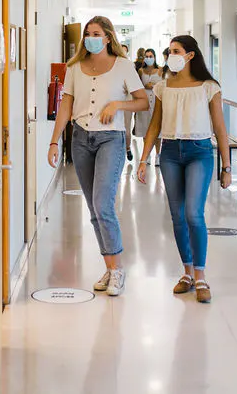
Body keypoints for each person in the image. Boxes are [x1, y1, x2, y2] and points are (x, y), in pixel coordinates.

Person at [48, 17, 148, 297]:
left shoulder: (123, 66)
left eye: (96, 34)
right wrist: (54, 141)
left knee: (103, 204)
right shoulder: (74, 68)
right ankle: (109, 267)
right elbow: (66, 104)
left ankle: (118, 270)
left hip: (110, 139)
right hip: (80, 139)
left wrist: (117, 104)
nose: (90, 38)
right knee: (94, 209)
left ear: (107, 38)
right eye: (87, 34)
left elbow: (143, 101)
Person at [138, 35, 232, 304]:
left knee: (193, 213)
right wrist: (143, 159)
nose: (171, 56)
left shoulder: (209, 87)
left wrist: (227, 166)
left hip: (199, 152)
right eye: (169, 51)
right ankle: (187, 273)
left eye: (176, 51)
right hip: (169, 153)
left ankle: (201, 276)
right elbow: (154, 126)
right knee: (177, 216)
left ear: (190, 55)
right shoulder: (162, 87)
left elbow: (220, 128)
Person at [132, 49, 161, 164]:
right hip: (145, 101)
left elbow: (164, 84)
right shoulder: (141, 71)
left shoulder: (160, 70)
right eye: (147, 56)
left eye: (151, 56)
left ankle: (158, 155)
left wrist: (154, 85)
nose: (149, 58)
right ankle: (147, 154)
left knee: (157, 129)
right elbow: (138, 85)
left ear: (154, 57)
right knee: (145, 128)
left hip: (156, 100)